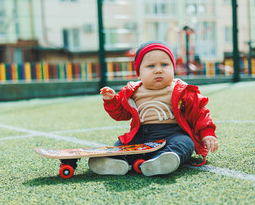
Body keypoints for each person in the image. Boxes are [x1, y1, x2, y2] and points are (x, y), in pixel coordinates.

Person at [88, 41, 218, 176]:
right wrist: (111, 101)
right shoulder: (132, 92)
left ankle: (163, 160)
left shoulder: (181, 90)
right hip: (141, 135)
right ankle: (115, 162)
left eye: (164, 65)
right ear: (139, 73)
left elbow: (199, 113)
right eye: (151, 66)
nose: (158, 70)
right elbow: (120, 114)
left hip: (172, 134)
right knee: (123, 143)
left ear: (173, 68)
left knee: (185, 142)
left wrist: (207, 133)